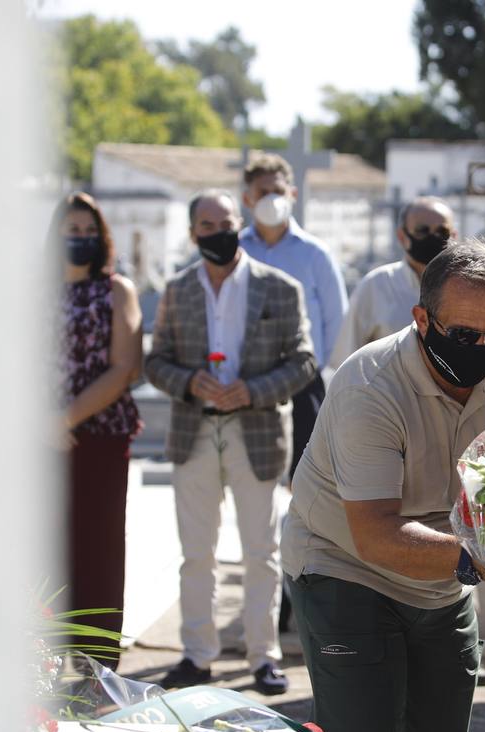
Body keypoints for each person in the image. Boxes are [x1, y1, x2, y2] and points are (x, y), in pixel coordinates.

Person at [282, 238, 485, 732]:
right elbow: (375, 534)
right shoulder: (370, 386)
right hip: (343, 562)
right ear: (422, 319)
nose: (479, 349)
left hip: (444, 572)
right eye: (461, 335)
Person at [145, 190, 317, 694]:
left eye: (225, 222)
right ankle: (197, 656)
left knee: (261, 551)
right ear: (193, 231)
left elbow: (304, 361)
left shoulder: (280, 289)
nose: (216, 231)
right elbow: (156, 362)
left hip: (256, 430)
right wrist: (189, 381)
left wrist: (252, 390)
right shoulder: (177, 290)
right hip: (194, 429)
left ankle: (263, 657)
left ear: (238, 225)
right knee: (196, 552)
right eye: (206, 224)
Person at [55, 191, 143, 667]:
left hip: (100, 438)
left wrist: (64, 419)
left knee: (98, 549)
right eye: (73, 232)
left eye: (91, 233)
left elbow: (124, 366)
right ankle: (42, 660)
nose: (82, 240)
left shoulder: (117, 291)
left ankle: (93, 666)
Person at [238, 152, 349, 480]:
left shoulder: (315, 254)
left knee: (307, 474)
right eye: (262, 193)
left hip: (303, 378)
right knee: (251, 477)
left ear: (293, 194)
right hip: (249, 378)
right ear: (247, 198)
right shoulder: (235, 252)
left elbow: (336, 318)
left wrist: (315, 367)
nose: (271, 200)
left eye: (278, 191)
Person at [330, 196, 457, 368]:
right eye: (422, 231)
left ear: (454, 236)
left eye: (442, 232)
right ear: (401, 236)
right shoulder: (376, 286)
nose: (432, 238)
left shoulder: (467, 289)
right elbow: (347, 359)